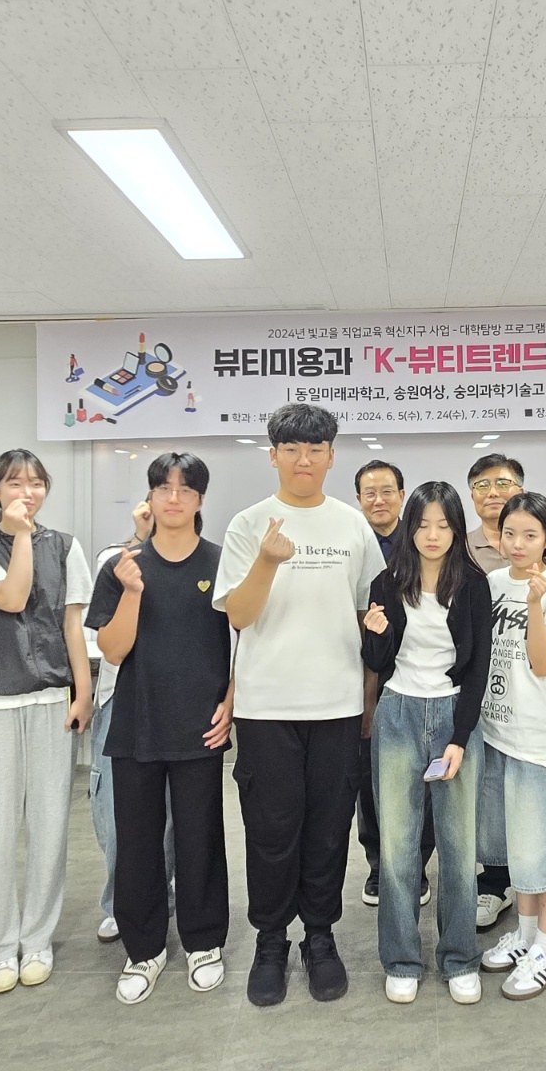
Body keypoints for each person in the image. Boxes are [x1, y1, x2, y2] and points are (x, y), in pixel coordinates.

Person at [213, 403, 384, 1007]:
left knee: (328, 828)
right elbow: (238, 615)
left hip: (337, 703)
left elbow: (370, 616)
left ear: (332, 456)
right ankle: (270, 941)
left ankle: (319, 935)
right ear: (274, 455)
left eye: (315, 449)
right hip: (267, 705)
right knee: (270, 829)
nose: (303, 460)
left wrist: (369, 698)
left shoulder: (352, 526)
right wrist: (267, 559)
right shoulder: (248, 525)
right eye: (291, 449)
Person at [88, 453, 234, 1005]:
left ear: (200, 499)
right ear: (150, 497)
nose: (174, 498)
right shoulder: (122, 565)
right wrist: (131, 592)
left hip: (201, 726)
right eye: (164, 488)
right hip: (137, 724)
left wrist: (232, 700)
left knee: (201, 838)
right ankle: (143, 950)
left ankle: (204, 942)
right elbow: (112, 650)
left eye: (185, 489)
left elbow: (245, 636)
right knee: (137, 843)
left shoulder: (221, 561)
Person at [0, 450, 94, 995]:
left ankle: (37, 939)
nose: (27, 492)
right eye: (14, 483)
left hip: (51, 701)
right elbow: (11, 598)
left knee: (50, 827)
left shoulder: (66, 546)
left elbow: (72, 624)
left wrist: (82, 692)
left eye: (36, 483)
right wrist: (19, 537)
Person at [361, 482, 492, 1006]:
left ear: (456, 529)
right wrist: (373, 633)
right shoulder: (388, 581)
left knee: (459, 849)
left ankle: (460, 957)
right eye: (422, 525)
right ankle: (401, 959)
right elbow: (377, 661)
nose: (432, 535)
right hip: (399, 713)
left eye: (442, 525)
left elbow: (478, 668)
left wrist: (459, 737)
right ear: (410, 528)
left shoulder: (474, 585)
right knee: (397, 847)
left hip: (454, 713)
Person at [476, 492, 546, 1001]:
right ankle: (523, 934)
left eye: (530, 535)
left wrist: (534, 604)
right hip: (498, 732)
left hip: (541, 737)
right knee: (520, 848)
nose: (517, 544)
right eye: (509, 533)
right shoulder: (492, 583)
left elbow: (542, 664)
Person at [463, 452, 546, 930]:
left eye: (503, 482)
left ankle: (534, 886)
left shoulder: (544, 556)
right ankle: (494, 881)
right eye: (482, 484)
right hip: (482, 694)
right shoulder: (458, 548)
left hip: (532, 700)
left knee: (530, 799)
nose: (493, 492)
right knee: (487, 793)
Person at [354, 458, 433, 909]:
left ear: (402, 495)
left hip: (417, 676)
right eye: (370, 492)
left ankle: (416, 863)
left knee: (421, 778)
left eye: (387, 491)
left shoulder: (422, 541)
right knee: (371, 775)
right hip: (363, 671)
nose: (379, 500)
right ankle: (379, 863)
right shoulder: (351, 542)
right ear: (359, 499)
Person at [85, 499, 161, 947]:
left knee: (169, 816)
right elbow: (107, 642)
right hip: (121, 698)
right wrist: (140, 538)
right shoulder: (117, 562)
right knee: (116, 812)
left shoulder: (203, 562)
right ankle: (120, 902)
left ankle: (162, 895)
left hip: (175, 701)